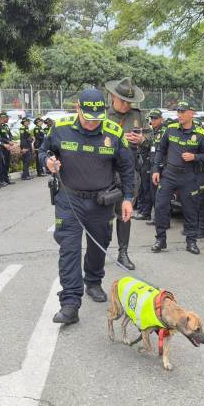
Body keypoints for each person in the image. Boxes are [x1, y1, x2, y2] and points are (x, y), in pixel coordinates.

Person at [38, 88, 135, 325]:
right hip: (69, 200)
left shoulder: (114, 131)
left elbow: (126, 167)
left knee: (98, 244)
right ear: (78, 109)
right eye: (88, 118)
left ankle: (93, 281)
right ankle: (70, 303)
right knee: (69, 248)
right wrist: (47, 161)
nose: (93, 124)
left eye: (97, 119)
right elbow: (43, 151)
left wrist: (128, 198)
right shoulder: (60, 128)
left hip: (101, 201)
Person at [151, 101, 204, 255]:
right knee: (160, 206)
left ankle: (191, 241)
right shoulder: (170, 129)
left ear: (192, 113)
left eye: (183, 112)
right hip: (169, 174)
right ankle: (160, 239)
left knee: (190, 209)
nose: (179, 114)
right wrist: (156, 169)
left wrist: (195, 156)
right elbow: (160, 150)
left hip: (188, 176)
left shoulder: (200, 133)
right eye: (178, 111)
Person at [105, 77, 148, 269]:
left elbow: (150, 135)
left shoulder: (137, 115)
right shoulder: (103, 115)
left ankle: (123, 253)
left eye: (129, 101)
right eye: (123, 100)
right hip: (105, 171)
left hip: (129, 172)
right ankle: (100, 250)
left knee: (125, 213)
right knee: (104, 215)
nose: (126, 105)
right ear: (113, 97)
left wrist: (142, 139)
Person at [134, 109, 164, 223]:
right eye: (152, 118)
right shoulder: (151, 132)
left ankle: (152, 215)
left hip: (157, 166)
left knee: (154, 193)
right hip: (148, 163)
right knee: (145, 189)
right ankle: (144, 211)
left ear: (161, 119)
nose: (153, 120)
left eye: (156, 118)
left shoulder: (163, 132)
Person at [0, 112, 15, 185]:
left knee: (7, 163)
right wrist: (8, 142)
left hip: (8, 147)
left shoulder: (6, 126)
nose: (8, 119)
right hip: (2, 147)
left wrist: (11, 141)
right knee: (3, 164)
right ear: (3, 118)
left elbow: (9, 134)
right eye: (7, 117)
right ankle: (2, 179)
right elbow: (0, 138)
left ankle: (6, 179)